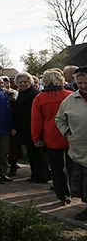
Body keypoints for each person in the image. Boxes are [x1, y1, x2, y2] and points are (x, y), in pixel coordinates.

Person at [32, 69, 74, 205]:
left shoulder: (39, 98)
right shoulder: (71, 95)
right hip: (70, 134)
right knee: (73, 165)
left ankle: (63, 195)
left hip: (50, 136)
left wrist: (36, 138)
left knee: (56, 168)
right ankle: (75, 190)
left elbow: (36, 121)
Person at [56, 66, 87, 220]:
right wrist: (67, 132)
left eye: (86, 83)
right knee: (84, 183)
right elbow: (59, 119)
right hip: (79, 147)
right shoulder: (70, 100)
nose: (83, 86)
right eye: (80, 83)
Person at [12, 72, 48, 182]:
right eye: (20, 82)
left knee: (37, 154)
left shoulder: (33, 94)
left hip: (32, 129)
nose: (23, 84)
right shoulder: (23, 93)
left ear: (30, 82)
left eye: (25, 82)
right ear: (17, 83)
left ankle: (40, 176)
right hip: (27, 129)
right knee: (33, 154)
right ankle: (37, 175)